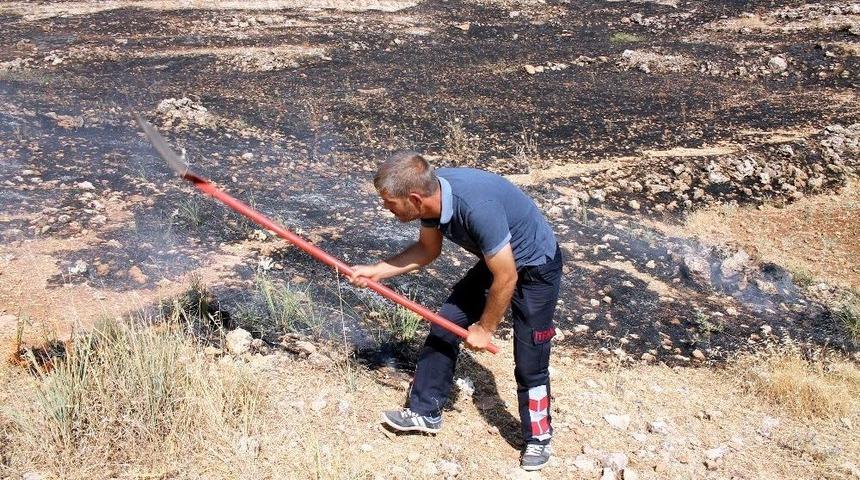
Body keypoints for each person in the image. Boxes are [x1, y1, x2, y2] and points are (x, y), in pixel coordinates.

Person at [349, 151, 562, 471]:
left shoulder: (477, 209)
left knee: (530, 361)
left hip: (535, 268)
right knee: (444, 324)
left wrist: (485, 328)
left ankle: (539, 437)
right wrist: (377, 271)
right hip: (500, 263)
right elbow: (427, 250)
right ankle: (425, 411)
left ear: (415, 199)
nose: (386, 208)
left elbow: (508, 276)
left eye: (390, 202)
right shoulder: (433, 196)